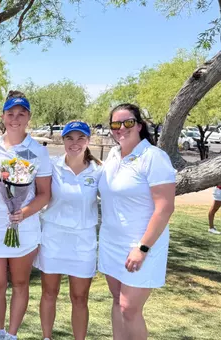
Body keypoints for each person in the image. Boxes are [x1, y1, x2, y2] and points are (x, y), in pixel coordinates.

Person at [98, 103, 175, 340]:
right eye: (115, 124)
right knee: (117, 302)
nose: (121, 128)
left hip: (142, 244)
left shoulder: (153, 157)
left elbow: (165, 208)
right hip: (111, 242)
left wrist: (142, 247)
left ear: (139, 126)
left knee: (129, 308)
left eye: (128, 122)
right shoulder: (112, 155)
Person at [0, 95, 52, 340]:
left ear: (28, 118)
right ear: (3, 116)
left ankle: (12, 334)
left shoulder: (38, 152)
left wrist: (24, 212)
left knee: (20, 283)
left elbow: (44, 194)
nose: (15, 119)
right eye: (10, 114)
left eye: (21, 114)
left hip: (25, 226)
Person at [34, 121, 102, 340]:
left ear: (88, 141)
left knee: (80, 297)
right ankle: (47, 337)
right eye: (69, 138)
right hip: (53, 237)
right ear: (62, 140)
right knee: (49, 293)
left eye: (80, 138)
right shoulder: (52, 166)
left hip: (84, 241)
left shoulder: (99, 171)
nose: (75, 143)